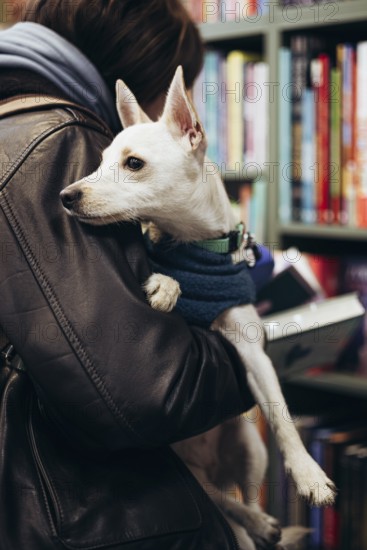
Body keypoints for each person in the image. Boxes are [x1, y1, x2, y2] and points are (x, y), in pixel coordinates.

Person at [0, 1, 256, 548]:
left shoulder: (20, 119)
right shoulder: (56, 139)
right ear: (151, 74)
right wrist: (249, 350)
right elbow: (142, 391)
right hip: (85, 515)